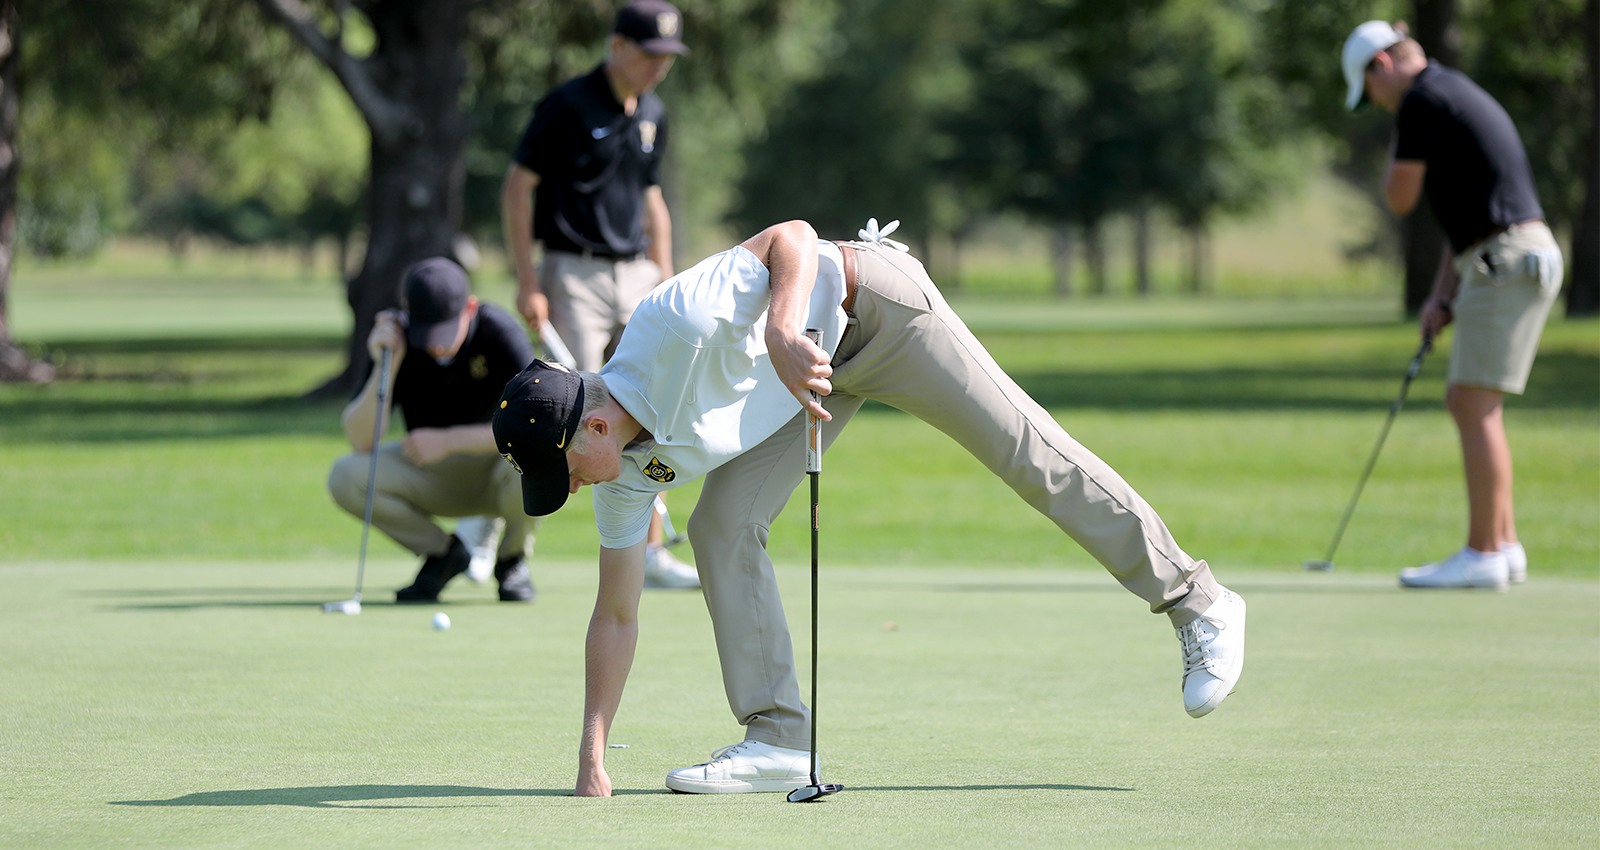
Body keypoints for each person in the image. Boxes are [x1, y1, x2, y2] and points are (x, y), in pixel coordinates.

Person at [491, 219, 1249, 797]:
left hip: (876, 308)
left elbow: (791, 237)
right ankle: (780, 738)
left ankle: (1197, 601)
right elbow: (615, 614)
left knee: (1029, 455)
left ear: (591, 426)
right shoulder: (622, 478)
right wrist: (592, 757)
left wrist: (784, 329)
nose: (572, 490)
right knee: (720, 525)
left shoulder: (671, 324)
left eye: (563, 473)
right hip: (808, 382)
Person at [1342, 21, 1564, 591]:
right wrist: (1443, 295)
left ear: (1381, 67)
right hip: (1504, 254)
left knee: (1472, 405)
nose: (1378, 103)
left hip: (1506, 257)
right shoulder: (1447, 92)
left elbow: (1399, 197)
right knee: (1472, 401)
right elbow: (1461, 224)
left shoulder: (1423, 99)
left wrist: (1403, 131)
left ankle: (1483, 551)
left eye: (1371, 92)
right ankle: (1504, 544)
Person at [499, 0, 697, 589]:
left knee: (647, 405)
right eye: (650, 55)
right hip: (573, 273)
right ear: (617, 48)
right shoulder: (567, 105)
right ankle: (510, 544)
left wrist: (665, 279)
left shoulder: (654, 111)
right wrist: (528, 280)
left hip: (638, 272)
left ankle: (650, 554)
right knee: (572, 414)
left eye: (667, 57)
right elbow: (517, 188)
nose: (659, 68)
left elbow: (652, 201)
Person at [328, 258, 537, 604]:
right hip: (431, 476)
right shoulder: (399, 339)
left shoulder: (500, 332)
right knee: (345, 475)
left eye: (444, 331)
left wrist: (449, 440)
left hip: (497, 472)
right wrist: (386, 362)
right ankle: (444, 554)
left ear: (470, 308)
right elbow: (361, 439)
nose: (435, 346)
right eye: (426, 332)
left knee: (537, 460)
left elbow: (534, 427)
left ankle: (511, 560)